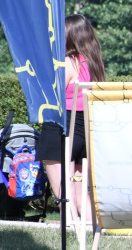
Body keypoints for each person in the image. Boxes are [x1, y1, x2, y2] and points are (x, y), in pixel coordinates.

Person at [36, 14, 107, 215]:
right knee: (81, 196)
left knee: (64, 196)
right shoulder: (96, 65)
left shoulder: (68, 63)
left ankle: (70, 233)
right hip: (85, 132)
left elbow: (51, 96)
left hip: (63, 128)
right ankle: (90, 233)